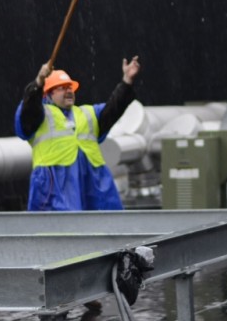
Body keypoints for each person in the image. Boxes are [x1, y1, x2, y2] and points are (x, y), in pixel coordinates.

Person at [15, 56, 141, 211]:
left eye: (70, 87)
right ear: (47, 94)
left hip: (92, 185)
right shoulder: (39, 115)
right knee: (56, 231)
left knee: (102, 229)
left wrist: (127, 81)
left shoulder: (88, 113)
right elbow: (30, 107)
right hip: (53, 187)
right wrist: (39, 82)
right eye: (62, 87)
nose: (69, 91)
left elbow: (113, 108)